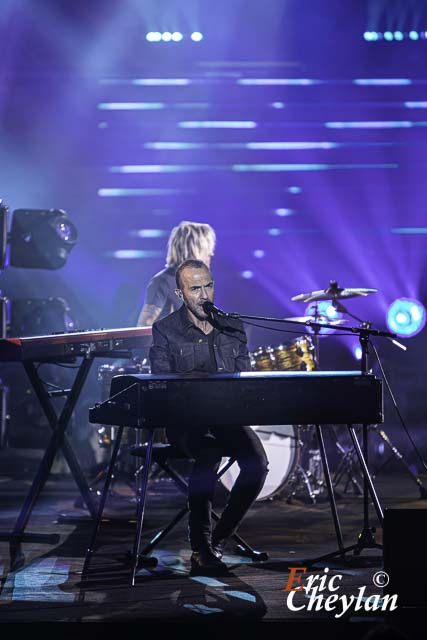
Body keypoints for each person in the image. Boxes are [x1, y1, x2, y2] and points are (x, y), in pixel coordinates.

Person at [149, 259, 268, 575]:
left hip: (225, 418)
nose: (204, 295)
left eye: (208, 286)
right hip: (185, 422)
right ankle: (200, 547)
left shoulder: (233, 326)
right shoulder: (165, 330)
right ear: (180, 293)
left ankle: (218, 539)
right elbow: (161, 384)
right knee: (209, 452)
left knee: (257, 465)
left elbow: (244, 376)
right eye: (195, 288)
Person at [137, 221, 216, 327]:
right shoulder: (163, 281)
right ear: (195, 250)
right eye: (208, 249)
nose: (211, 254)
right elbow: (145, 325)